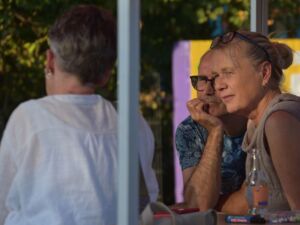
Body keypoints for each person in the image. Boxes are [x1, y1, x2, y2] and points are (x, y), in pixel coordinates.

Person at [0, 5, 158, 225]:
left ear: (50, 60)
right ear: (106, 75)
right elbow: (147, 205)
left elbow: (3, 207)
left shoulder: (29, 118)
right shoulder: (131, 122)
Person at [210, 30, 300, 213]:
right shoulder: (255, 123)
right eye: (216, 76)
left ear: (264, 73)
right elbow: (250, 199)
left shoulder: (279, 122)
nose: (218, 85)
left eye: (228, 72)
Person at [175, 50, 248, 211]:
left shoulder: (258, 120)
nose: (208, 91)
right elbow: (198, 204)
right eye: (201, 80)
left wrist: (213, 207)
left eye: (215, 80)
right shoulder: (190, 129)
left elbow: (258, 199)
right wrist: (215, 131)